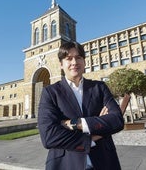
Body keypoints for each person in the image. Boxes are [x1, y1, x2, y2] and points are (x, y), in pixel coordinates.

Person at [38, 41, 124, 170]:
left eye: (78, 58)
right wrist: (93, 136)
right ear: (61, 64)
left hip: (104, 162)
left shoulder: (99, 87)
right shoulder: (50, 92)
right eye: (69, 59)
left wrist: (76, 123)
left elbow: (117, 120)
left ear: (84, 62)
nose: (74, 62)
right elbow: (49, 136)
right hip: (66, 164)